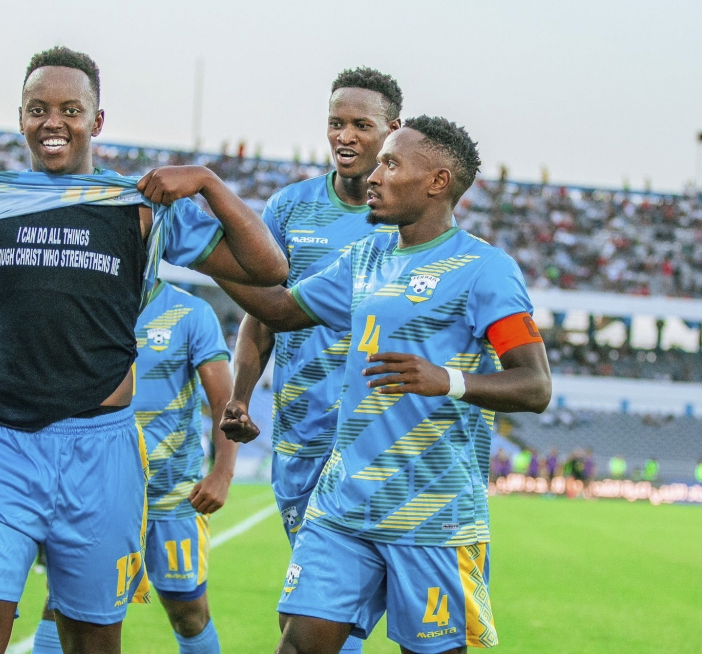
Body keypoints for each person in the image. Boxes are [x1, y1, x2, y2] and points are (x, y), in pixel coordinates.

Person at [0, 46, 286, 654]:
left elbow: (268, 269)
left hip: (100, 450)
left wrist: (209, 184)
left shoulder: (140, 208)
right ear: (21, 117)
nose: (52, 121)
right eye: (38, 109)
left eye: (70, 109)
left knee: (90, 639)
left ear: (97, 121)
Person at [219, 116, 552, 653]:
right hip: (342, 503)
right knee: (300, 644)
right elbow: (278, 309)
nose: (374, 174)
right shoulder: (366, 257)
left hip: (432, 516)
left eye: (392, 163)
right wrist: (198, 249)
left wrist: (448, 381)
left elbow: (535, 387)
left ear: (437, 182)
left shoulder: (486, 269)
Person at [220, 66, 402, 654]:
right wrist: (240, 395)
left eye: (361, 125)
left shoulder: (409, 220)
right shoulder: (290, 209)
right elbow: (262, 316)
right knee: (311, 618)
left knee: (319, 621)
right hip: (300, 438)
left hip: (375, 440)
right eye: (336, 123)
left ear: (392, 130)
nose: (345, 136)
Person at [34, 280, 237, 654]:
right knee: (63, 604)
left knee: (188, 612)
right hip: (97, 491)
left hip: (174, 496)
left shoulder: (191, 313)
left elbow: (225, 398)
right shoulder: (85, 302)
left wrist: (222, 472)